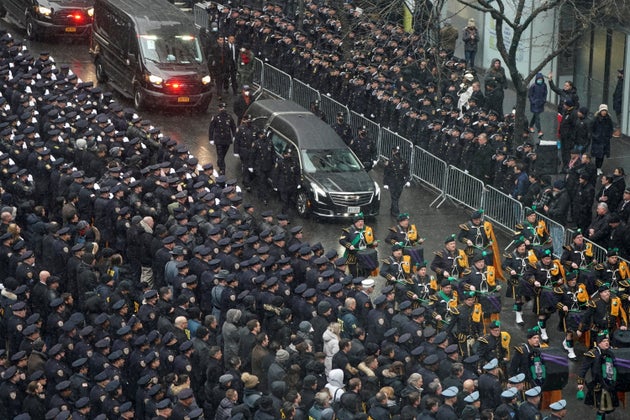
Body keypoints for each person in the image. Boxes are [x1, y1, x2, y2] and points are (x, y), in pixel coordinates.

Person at [577, 332, 620, 420]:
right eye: (604, 341)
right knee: (601, 408)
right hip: (598, 384)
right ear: (599, 343)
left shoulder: (611, 353)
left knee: (610, 406)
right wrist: (580, 383)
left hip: (610, 383)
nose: (607, 343)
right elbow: (583, 369)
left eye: (607, 341)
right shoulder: (592, 354)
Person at [339, 213, 379, 277]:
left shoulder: (368, 229)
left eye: (362, 221)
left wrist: (375, 242)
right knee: (353, 272)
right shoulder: (348, 231)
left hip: (365, 254)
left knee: (365, 271)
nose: (361, 223)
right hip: (353, 254)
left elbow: (374, 238)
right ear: (355, 223)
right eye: (358, 222)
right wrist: (349, 245)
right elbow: (341, 240)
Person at [208, 102, 236, 175]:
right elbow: (211, 128)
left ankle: (219, 162)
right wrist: (211, 138)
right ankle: (222, 169)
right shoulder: (216, 117)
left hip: (227, 140)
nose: (223, 109)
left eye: (224, 108)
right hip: (219, 140)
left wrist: (234, 135)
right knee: (220, 154)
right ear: (219, 109)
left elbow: (233, 127)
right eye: (222, 108)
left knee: (223, 155)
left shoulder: (229, 117)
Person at [383, 146, 411, 216]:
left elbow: (406, 172)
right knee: (394, 197)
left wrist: (407, 180)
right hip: (392, 181)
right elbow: (386, 173)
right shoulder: (390, 161)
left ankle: (392, 210)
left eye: (397, 151)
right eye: (395, 151)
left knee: (397, 196)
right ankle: (396, 212)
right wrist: (385, 183)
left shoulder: (403, 161)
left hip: (400, 182)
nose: (396, 153)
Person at [591, 104, 614, 175]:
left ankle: (599, 167)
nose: (604, 112)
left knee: (602, 155)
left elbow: (611, 128)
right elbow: (591, 129)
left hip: (605, 140)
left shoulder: (608, 119)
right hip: (597, 140)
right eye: (603, 110)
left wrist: (609, 136)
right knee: (598, 155)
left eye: (605, 111)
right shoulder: (596, 119)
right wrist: (595, 136)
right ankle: (597, 168)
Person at [529, 73, 548, 137]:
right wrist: (533, 102)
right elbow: (530, 95)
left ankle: (531, 126)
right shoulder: (533, 86)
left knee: (535, 116)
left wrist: (543, 100)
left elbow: (545, 93)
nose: (540, 80)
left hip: (540, 104)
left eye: (541, 79)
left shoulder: (544, 85)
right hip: (534, 104)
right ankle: (539, 130)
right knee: (537, 118)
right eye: (539, 79)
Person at [612, 69, 623, 137]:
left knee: (620, 117)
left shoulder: (623, 82)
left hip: (619, 103)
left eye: (620, 73)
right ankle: (619, 129)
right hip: (617, 102)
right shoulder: (620, 81)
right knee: (618, 117)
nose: (618, 74)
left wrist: (618, 100)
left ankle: (620, 130)